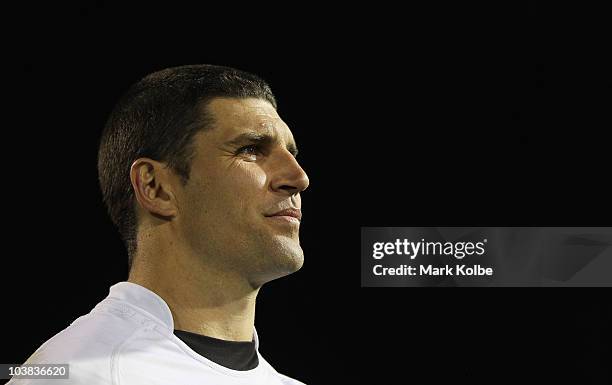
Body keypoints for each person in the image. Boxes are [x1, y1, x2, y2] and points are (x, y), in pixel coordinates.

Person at [8, 64, 309, 384]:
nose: (298, 178)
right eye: (250, 149)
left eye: (291, 153)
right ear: (156, 188)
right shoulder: (75, 374)